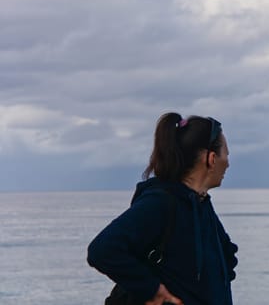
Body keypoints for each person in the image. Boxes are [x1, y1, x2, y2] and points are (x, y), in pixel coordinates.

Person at [87, 112, 238, 305]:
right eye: (227, 154)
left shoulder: (200, 203)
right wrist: (153, 290)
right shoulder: (160, 202)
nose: (228, 163)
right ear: (211, 158)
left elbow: (226, 255)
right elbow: (102, 250)